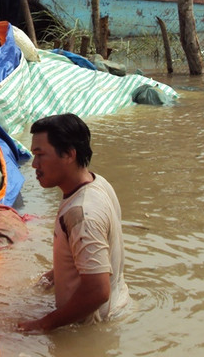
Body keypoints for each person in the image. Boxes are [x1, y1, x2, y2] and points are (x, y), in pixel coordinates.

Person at [18, 113, 131, 333]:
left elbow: (97, 292)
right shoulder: (98, 183)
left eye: (40, 155)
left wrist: (43, 324)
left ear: (69, 154)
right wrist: (52, 277)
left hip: (92, 328)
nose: (34, 165)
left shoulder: (82, 214)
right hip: (115, 307)